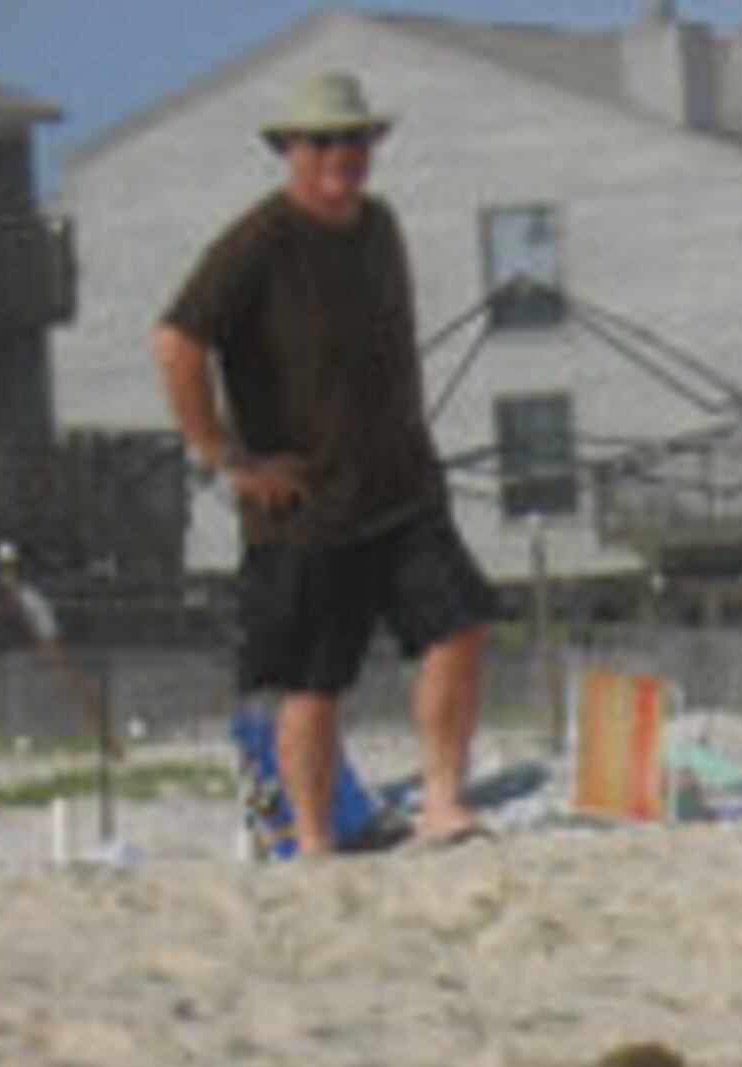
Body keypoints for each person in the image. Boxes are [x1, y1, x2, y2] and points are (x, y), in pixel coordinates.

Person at [154, 69, 497, 853]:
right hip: (305, 508)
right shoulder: (259, 241)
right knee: (312, 683)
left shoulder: (379, 226)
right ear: (292, 151)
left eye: (355, 139)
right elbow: (176, 341)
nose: (342, 154)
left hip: (402, 486)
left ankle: (443, 800)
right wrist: (225, 458)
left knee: (462, 626)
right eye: (324, 141)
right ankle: (314, 843)